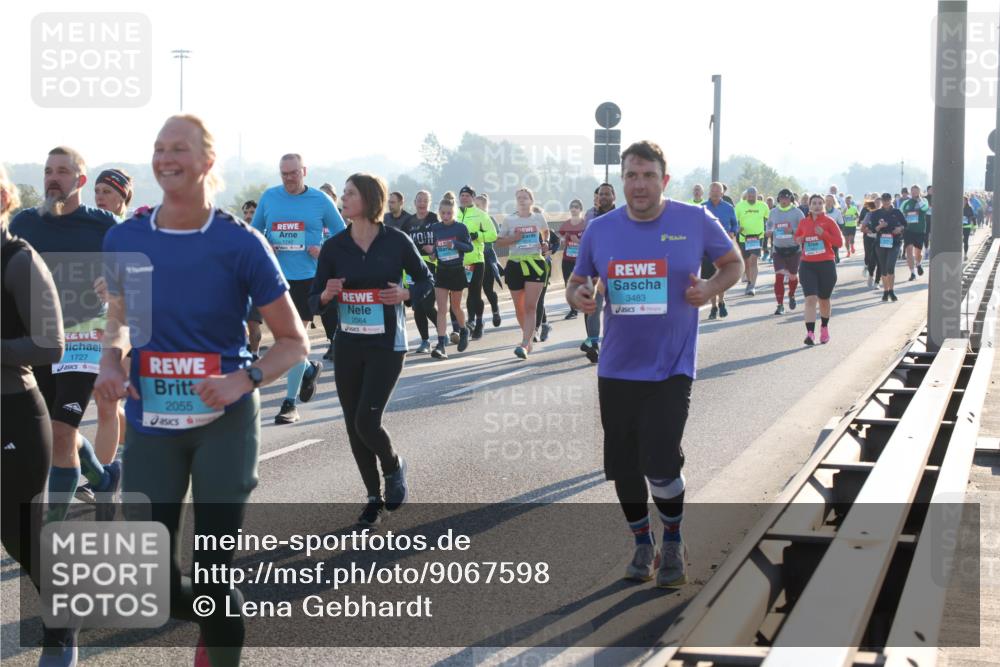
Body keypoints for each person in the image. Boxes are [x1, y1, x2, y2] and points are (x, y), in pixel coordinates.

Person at [95, 114, 309, 667]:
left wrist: (245, 377)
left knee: (215, 575)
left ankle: (219, 635)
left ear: (207, 162)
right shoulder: (126, 237)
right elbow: (119, 319)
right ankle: (215, 622)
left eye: (181, 149)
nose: (167, 158)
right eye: (160, 148)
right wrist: (112, 363)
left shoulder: (241, 244)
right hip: (151, 423)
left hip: (225, 422)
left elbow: (293, 342)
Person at [566, 141, 742, 588]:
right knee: (624, 466)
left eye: (647, 175)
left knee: (661, 461)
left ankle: (673, 539)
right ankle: (642, 542)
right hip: (617, 367)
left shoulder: (693, 219)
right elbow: (576, 280)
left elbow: (732, 262)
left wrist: (710, 288)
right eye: (630, 175)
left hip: (671, 366)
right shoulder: (600, 229)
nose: (638, 184)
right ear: (621, 180)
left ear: (664, 180)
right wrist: (579, 295)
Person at [310, 173, 432, 526]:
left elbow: (426, 279)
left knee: (367, 419)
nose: (343, 199)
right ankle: (373, 498)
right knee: (353, 424)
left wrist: (406, 294)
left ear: (368, 199)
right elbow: (312, 302)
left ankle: (394, 465)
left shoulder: (396, 241)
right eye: (342, 193)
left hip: (387, 344)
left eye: (349, 194)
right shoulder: (334, 247)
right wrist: (325, 295)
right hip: (348, 344)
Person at [10, 147, 122, 526]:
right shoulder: (24, 223)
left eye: (61, 171)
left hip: (86, 337)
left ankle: (53, 524)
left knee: (61, 430)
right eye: (47, 171)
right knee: (60, 431)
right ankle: (104, 477)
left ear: (80, 180)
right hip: (40, 339)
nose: (52, 178)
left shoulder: (105, 224)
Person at [1, 164, 70, 665]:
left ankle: (61, 625)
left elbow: (50, 344)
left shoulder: (20, 259)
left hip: (13, 415)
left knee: (21, 534)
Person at [252, 153, 346, 424]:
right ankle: (307, 369)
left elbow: (342, 237)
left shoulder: (320, 200)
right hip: (275, 280)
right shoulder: (269, 197)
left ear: (304, 171)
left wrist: (323, 252)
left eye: (293, 173)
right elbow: (253, 233)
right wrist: (265, 244)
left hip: (308, 280)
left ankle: (289, 404)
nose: (289, 178)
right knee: (289, 343)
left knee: (290, 341)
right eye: (284, 174)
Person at [495, 190, 550, 359]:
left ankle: (525, 343)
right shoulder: (509, 220)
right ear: (516, 201)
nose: (522, 200)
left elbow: (546, 231)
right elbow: (498, 241)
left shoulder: (538, 218)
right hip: (515, 265)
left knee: (530, 306)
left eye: (525, 197)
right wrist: (514, 239)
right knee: (519, 308)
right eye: (519, 198)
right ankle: (528, 337)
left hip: (534, 263)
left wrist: (545, 242)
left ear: (531, 200)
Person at [795, 194, 844, 345]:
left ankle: (824, 327)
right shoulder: (804, 222)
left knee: (824, 300)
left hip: (826, 265)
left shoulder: (829, 221)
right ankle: (810, 334)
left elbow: (839, 243)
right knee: (810, 299)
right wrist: (799, 239)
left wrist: (824, 234)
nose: (816, 205)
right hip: (807, 265)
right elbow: (797, 237)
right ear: (809, 205)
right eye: (813, 203)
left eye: (819, 203)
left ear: (823, 205)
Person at [427, 198, 473, 359]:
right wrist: (432, 253)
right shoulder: (435, 227)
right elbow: (435, 249)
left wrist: (454, 245)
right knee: (441, 309)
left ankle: (464, 330)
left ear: (454, 213)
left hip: (457, 270)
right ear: (439, 213)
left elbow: (469, 247)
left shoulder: (460, 228)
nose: (446, 216)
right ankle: (441, 344)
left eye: (449, 213)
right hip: (442, 270)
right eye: (443, 213)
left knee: (455, 307)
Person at [578, 183, 617, 362]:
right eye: (601, 194)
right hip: (596, 269)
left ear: (614, 197)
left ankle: (615, 344)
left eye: (607, 194)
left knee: (618, 310)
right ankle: (593, 344)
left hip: (618, 269)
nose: (603, 197)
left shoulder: (623, 216)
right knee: (594, 306)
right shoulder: (591, 217)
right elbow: (587, 243)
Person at [456, 186, 498, 340]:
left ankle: (478, 323)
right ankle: (465, 324)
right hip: (458, 262)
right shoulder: (454, 214)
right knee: (459, 295)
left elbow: (493, 235)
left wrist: (478, 235)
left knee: (475, 294)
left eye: (467, 195)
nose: (464, 198)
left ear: (473, 198)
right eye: (462, 195)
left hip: (476, 260)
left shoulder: (481, 215)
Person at [401, 190, 441, 353]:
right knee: (417, 306)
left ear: (429, 203)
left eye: (425, 200)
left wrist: (435, 249)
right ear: (415, 202)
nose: (422, 203)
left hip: (433, 266)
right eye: (419, 200)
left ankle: (442, 334)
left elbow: (446, 238)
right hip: (413, 269)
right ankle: (425, 341)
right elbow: (402, 244)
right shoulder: (408, 222)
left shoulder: (435, 219)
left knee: (428, 305)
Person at [702, 182, 738, 319]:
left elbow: (735, 224)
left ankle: (721, 301)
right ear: (709, 192)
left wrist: (733, 232)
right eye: (713, 190)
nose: (715, 192)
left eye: (718, 190)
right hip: (707, 248)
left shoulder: (728, 208)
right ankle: (714, 306)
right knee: (710, 279)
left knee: (721, 277)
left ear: (723, 193)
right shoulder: (702, 207)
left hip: (723, 247)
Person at [766, 188, 805, 315]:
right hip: (778, 249)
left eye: (787, 198)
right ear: (778, 199)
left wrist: (792, 231)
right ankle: (780, 305)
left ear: (791, 199)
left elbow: (804, 229)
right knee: (779, 277)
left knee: (792, 276)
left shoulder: (797, 212)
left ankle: (792, 295)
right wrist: (769, 231)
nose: (784, 200)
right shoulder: (773, 212)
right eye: (782, 198)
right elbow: (770, 225)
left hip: (794, 249)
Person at [867, 192, 907, 302]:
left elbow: (905, 224)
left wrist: (900, 229)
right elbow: (873, 229)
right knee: (883, 268)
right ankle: (885, 291)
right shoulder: (876, 213)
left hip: (894, 241)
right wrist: (880, 226)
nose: (886, 202)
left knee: (890, 266)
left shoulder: (897, 212)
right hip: (881, 242)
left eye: (888, 200)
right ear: (881, 201)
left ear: (891, 200)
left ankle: (891, 290)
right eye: (884, 200)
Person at [734, 186, 769, 295]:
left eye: (753, 195)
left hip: (757, 237)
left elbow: (769, 220)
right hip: (744, 237)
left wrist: (768, 230)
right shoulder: (740, 206)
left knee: (753, 260)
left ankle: (752, 286)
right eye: (749, 195)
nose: (751, 197)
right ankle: (749, 282)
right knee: (747, 262)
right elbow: (734, 222)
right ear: (746, 196)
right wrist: (737, 228)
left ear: (757, 195)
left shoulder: (763, 206)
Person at [475, 193, 503, 327]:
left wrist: (480, 235)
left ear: (485, 207)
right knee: (475, 291)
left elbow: (495, 237)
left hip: (486, 257)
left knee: (488, 290)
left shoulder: (490, 219)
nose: (476, 208)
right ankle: (477, 320)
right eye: (474, 205)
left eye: (479, 205)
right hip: (473, 259)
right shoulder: (470, 219)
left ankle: (495, 310)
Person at [558, 199, 587, 319]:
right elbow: (560, 235)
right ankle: (573, 309)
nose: (574, 209)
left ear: (580, 209)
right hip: (567, 259)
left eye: (576, 207)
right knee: (568, 285)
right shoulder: (566, 224)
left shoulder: (585, 224)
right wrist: (562, 239)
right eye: (572, 207)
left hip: (581, 260)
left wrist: (578, 241)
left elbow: (590, 242)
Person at [899, 185, 929, 281]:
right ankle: (912, 273)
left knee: (918, 252)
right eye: (913, 191)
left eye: (916, 191)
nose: (914, 193)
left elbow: (924, 208)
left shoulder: (924, 201)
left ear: (919, 192)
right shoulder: (906, 202)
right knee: (909, 250)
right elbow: (900, 213)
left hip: (919, 230)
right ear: (910, 192)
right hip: (908, 230)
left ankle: (918, 263)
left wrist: (919, 199)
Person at [859, 194, 882, 288]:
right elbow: (862, 228)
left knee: (881, 261)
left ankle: (877, 282)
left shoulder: (884, 213)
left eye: (879, 202)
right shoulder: (869, 214)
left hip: (881, 239)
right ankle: (871, 275)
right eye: (875, 202)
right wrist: (866, 230)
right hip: (869, 238)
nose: (877, 204)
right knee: (871, 260)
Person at [824, 194, 844, 264]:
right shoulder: (821, 211)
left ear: (833, 202)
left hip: (833, 236)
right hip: (822, 236)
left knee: (834, 255)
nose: (828, 202)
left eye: (830, 200)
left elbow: (841, 224)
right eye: (827, 200)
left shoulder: (837, 212)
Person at [963, 195, 976, 260]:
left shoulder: (969, 208)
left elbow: (973, 217)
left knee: (966, 241)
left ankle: (965, 254)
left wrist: (974, 226)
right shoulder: (957, 207)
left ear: (966, 201)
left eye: (964, 200)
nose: (963, 202)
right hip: (959, 227)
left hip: (967, 226)